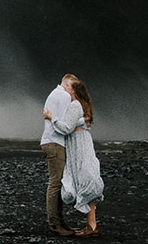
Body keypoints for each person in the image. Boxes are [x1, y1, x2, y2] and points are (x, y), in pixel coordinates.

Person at [44, 78, 105, 237]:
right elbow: (80, 123)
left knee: (84, 179)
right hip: (84, 143)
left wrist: (51, 117)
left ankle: (91, 227)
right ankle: (91, 225)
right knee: (87, 178)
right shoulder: (83, 105)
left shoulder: (74, 105)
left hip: (78, 146)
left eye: (68, 87)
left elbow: (65, 128)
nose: (65, 90)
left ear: (74, 90)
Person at [39, 74, 79, 236]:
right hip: (55, 142)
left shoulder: (55, 94)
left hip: (52, 141)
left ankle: (59, 221)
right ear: (68, 84)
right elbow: (63, 124)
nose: (74, 91)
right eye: (73, 87)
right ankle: (54, 223)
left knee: (57, 182)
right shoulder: (63, 96)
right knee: (55, 183)